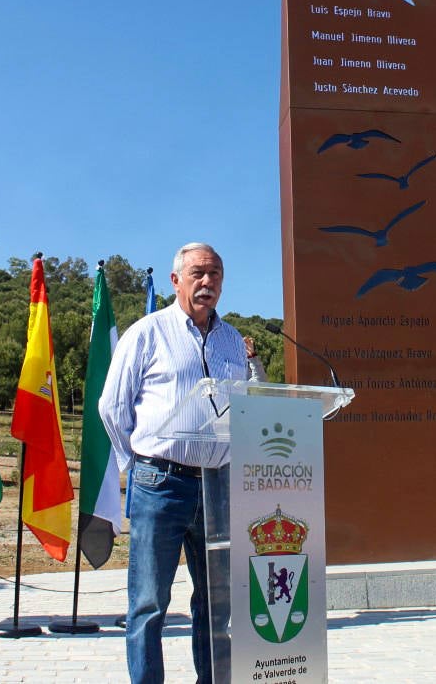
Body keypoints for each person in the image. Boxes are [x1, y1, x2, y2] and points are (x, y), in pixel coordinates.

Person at [99, 242, 264, 684]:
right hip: (161, 484)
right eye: (197, 273)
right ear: (176, 280)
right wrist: (138, 462)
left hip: (218, 486)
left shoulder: (232, 340)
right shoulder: (147, 333)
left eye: (215, 274)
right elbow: (112, 407)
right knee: (150, 604)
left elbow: (247, 404)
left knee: (216, 606)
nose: (207, 282)